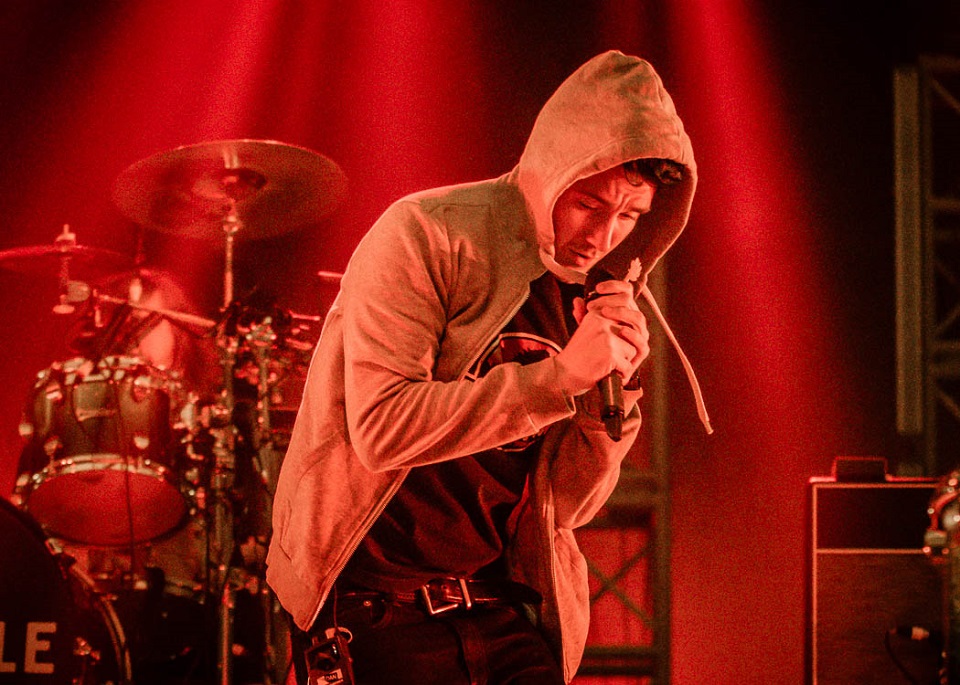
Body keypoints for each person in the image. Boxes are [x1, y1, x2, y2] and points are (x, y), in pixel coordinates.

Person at [266, 50, 711, 685]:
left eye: (631, 215)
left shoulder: (592, 293)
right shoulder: (428, 233)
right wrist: (559, 379)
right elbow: (382, 429)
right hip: (371, 601)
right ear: (552, 170)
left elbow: (569, 506)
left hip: (495, 603)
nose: (603, 235)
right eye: (588, 204)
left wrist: (609, 405)